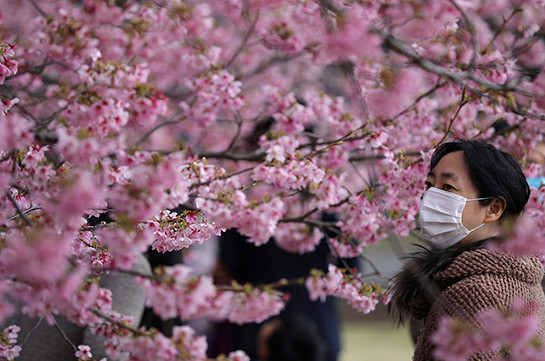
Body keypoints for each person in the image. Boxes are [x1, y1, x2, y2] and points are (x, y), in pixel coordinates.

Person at [389, 139, 545, 360]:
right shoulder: (514, 278)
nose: (431, 197)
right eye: (430, 185)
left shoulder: (474, 293)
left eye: (448, 187)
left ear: (493, 208)